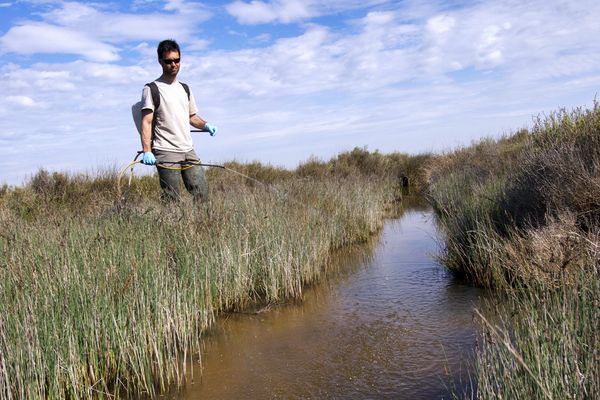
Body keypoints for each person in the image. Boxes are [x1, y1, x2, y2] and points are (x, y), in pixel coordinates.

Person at [139, 39, 217, 202]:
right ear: (160, 61)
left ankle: (203, 226)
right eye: (168, 61)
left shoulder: (185, 88)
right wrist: (147, 151)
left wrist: (206, 125)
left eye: (177, 60)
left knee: (202, 194)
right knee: (171, 198)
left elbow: (191, 117)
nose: (173, 64)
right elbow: (146, 122)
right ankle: (170, 227)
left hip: (188, 149)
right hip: (165, 150)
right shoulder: (151, 89)